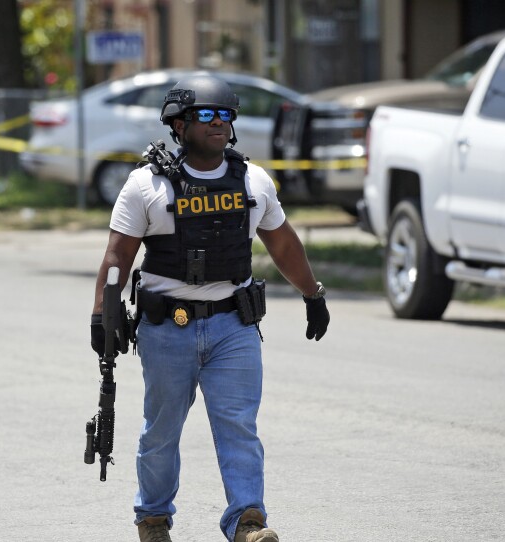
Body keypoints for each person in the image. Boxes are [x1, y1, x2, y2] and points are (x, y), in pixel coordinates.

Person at [90, 75, 330, 542]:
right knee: (160, 434)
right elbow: (117, 257)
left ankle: (248, 522)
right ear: (179, 124)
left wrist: (312, 293)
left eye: (225, 115)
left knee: (239, 427)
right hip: (167, 328)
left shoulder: (253, 181)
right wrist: (103, 315)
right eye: (205, 114)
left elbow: (283, 246)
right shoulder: (146, 186)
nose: (218, 122)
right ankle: (153, 520)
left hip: (234, 326)